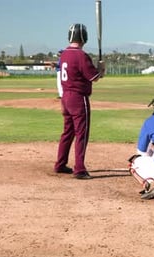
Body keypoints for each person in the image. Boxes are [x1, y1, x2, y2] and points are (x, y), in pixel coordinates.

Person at [53, 23, 105, 179]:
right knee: (81, 133)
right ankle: (79, 168)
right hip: (78, 98)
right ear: (84, 37)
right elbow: (94, 77)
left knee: (67, 132)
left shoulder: (64, 54)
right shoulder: (81, 55)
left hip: (65, 96)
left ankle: (60, 164)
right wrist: (101, 68)